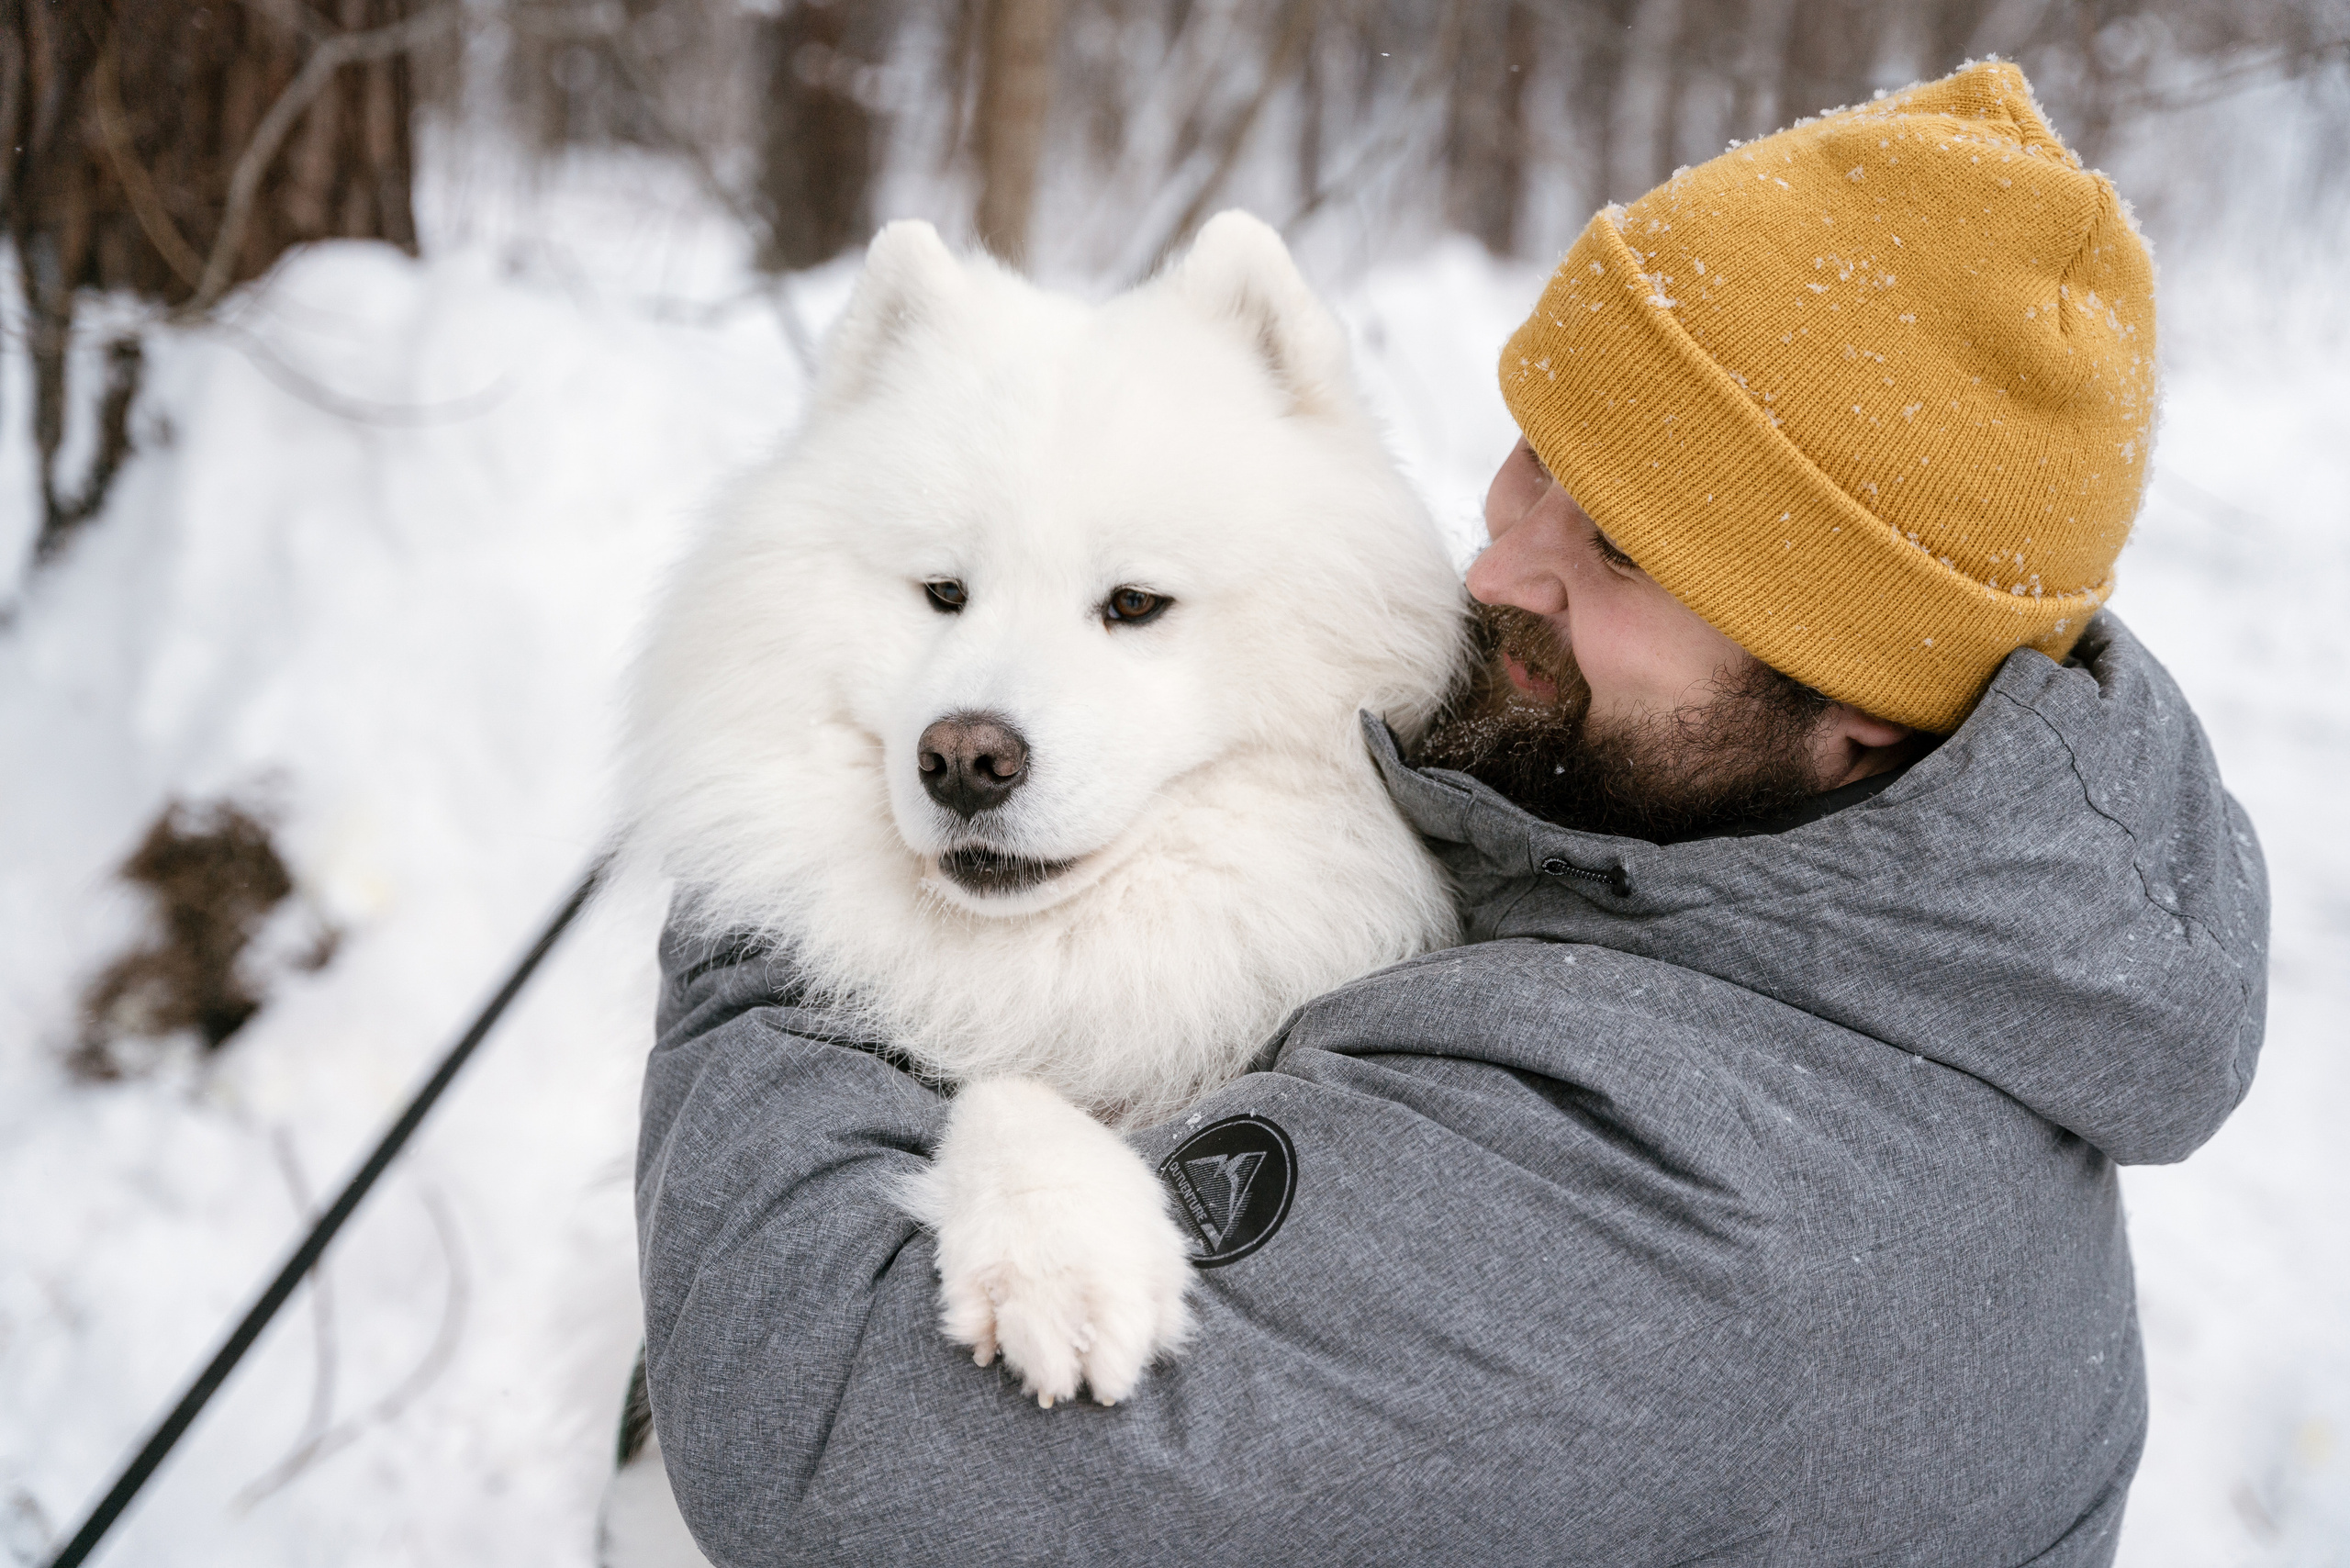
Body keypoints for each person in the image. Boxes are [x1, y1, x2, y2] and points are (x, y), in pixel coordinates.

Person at [634, 62, 2266, 1565]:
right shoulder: (1746, 885)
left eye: (1620, 552)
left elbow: (857, 1461)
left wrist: (772, 911)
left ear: (1857, 716)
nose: (1494, 570)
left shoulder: (1682, 1205)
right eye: (1534, 461)